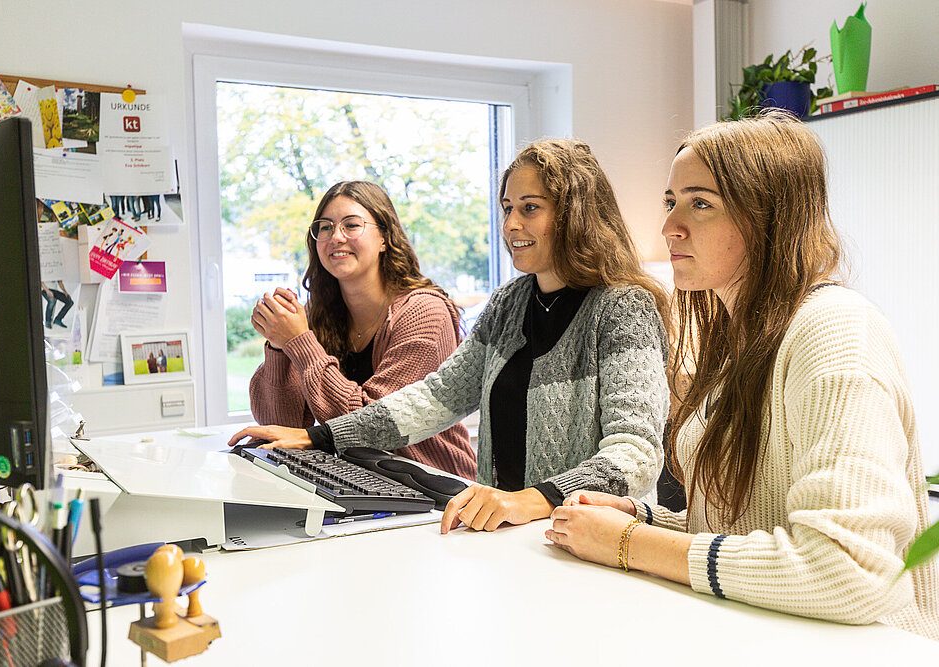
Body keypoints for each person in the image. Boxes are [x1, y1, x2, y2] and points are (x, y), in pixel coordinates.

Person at [544, 111, 939, 640]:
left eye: (701, 204)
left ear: (769, 215)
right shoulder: (742, 339)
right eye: (671, 202)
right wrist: (641, 518)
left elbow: (846, 569)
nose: (669, 227)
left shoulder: (835, 332)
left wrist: (630, 544)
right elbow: (750, 532)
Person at [229, 140, 670, 533]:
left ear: (576, 213)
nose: (511, 224)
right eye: (507, 208)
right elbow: (434, 398)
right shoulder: (509, 304)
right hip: (508, 532)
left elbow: (635, 453)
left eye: (529, 208)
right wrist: (321, 437)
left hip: (598, 542)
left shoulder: (622, 307)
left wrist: (532, 500)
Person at [231, 181, 476, 478]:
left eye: (351, 225)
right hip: (363, 481)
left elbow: (371, 425)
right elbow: (284, 425)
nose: (336, 237)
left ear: (385, 237)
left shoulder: (425, 312)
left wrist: (298, 341)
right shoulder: (319, 314)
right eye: (324, 227)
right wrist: (279, 346)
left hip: (436, 487)